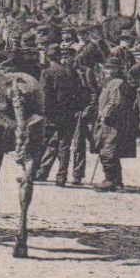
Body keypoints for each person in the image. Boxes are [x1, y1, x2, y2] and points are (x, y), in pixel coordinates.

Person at [39, 44, 91, 187]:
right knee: (64, 146)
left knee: (43, 144)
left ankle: (34, 173)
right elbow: (78, 93)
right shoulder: (71, 72)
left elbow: (44, 96)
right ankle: (61, 177)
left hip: (51, 115)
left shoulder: (46, 72)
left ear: (48, 56)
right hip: (68, 114)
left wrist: (43, 114)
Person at [91, 55, 139, 192]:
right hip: (110, 122)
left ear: (117, 70)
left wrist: (104, 115)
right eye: (107, 68)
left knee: (108, 151)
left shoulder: (117, 83)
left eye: (110, 68)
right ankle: (117, 181)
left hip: (112, 122)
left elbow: (114, 102)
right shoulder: (109, 82)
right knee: (109, 151)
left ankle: (110, 180)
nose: (107, 71)